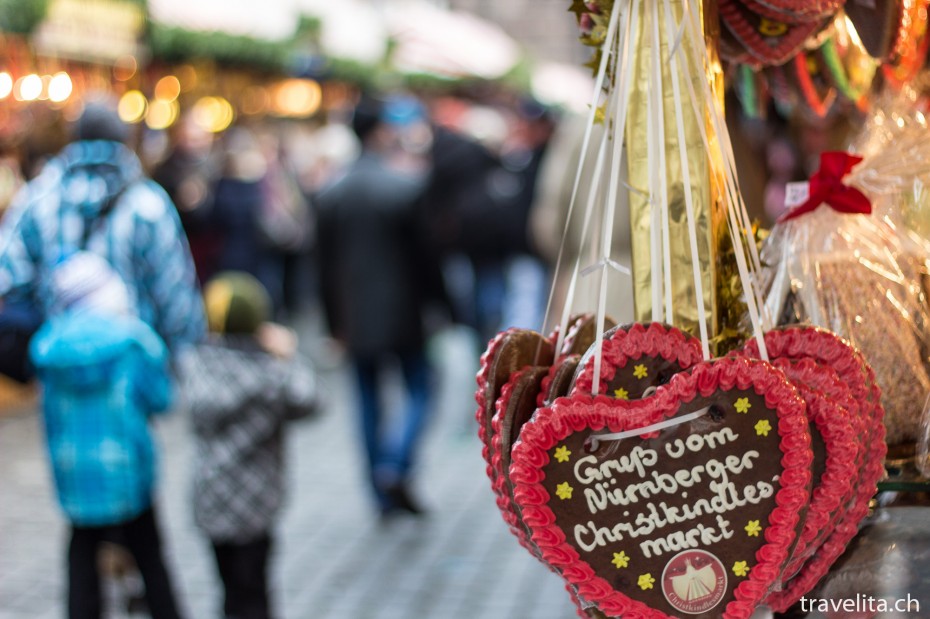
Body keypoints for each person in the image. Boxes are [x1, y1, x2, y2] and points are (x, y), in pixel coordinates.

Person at [28, 252, 184, 619]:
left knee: (82, 558)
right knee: (149, 556)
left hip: (75, 473)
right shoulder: (133, 341)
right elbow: (161, 399)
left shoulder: (49, 348)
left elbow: (48, 417)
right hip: (127, 470)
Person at [315, 95, 445, 518]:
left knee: (368, 401)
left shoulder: (331, 193)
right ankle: (395, 463)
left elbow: (320, 269)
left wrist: (333, 324)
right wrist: (442, 307)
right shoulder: (404, 187)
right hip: (404, 314)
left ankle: (379, 486)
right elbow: (429, 260)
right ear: (382, 131)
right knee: (422, 388)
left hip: (356, 318)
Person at [0, 97, 207, 355]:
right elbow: (177, 303)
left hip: (59, 371)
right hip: (135, 371)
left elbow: (9, 278)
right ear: (124, 140)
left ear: (73, 138)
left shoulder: (37, 198)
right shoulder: (149, 204)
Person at [177, 271, 320, 619]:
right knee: (255, 588)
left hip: (211, 501)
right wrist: (288, 356)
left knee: (227, 585)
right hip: (255, 507)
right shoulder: (271, 374)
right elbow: (311, 399)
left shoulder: (195, 366)